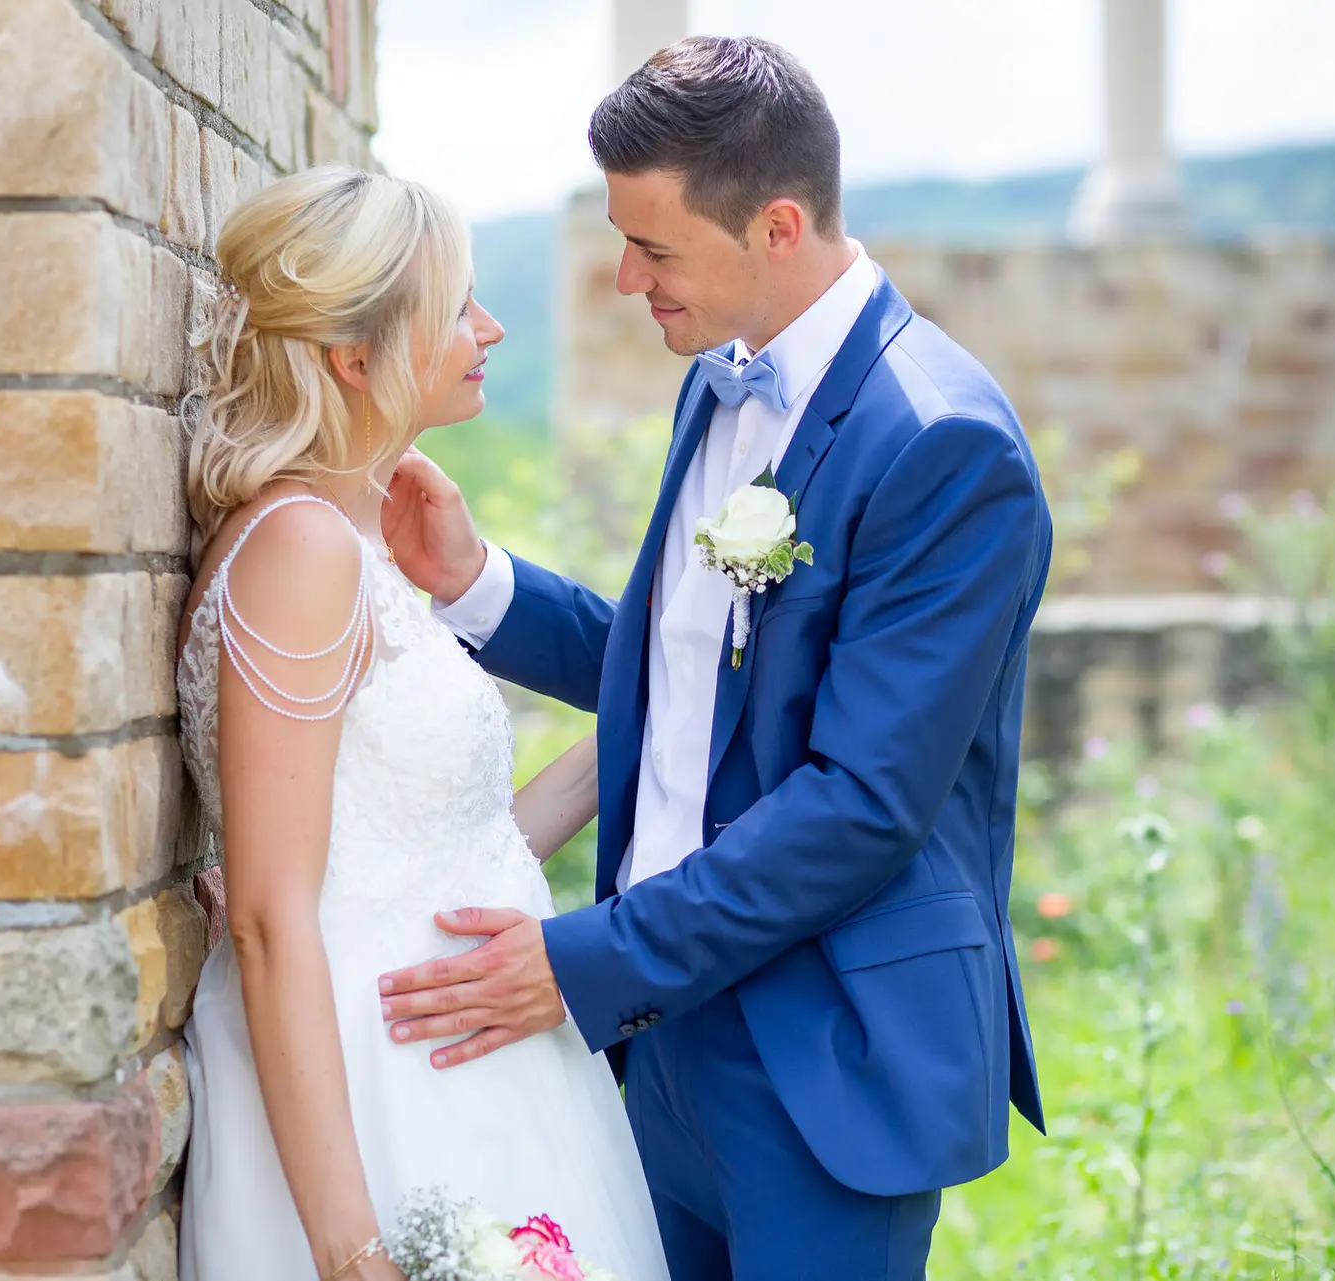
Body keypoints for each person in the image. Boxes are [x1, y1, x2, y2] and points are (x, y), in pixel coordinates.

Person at [377, 36, 1054, 1281]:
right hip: (661, 1036)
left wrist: (582, 965)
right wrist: (478, 584)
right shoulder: (722, 383)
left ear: (779, 225)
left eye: (656, 247)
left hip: (823, 1058)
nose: (628, 280)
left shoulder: (945, 449)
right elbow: (688, 677)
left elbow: (861, 806)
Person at [173, 164, 669, 1281]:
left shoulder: (361, 540)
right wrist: (352, 1251)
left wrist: (674, 705)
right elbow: (265, 917)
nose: (489, 328)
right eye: (457, 309)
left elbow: (438, 839)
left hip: (479, 1059)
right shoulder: (299, 553)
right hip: (376, 1087)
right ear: (356, 357)